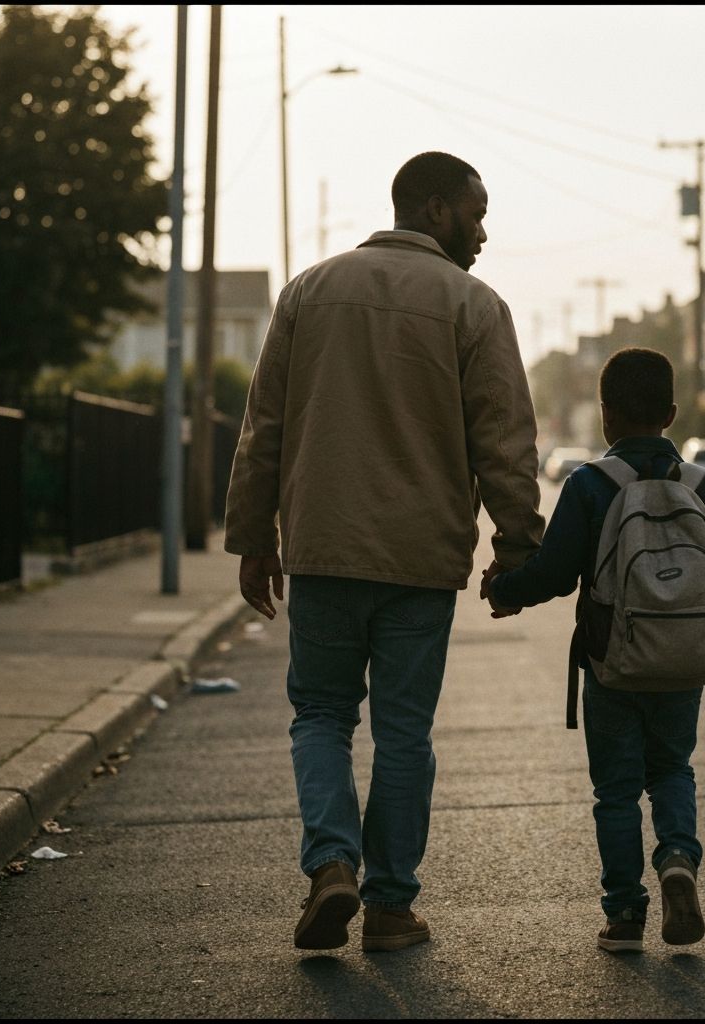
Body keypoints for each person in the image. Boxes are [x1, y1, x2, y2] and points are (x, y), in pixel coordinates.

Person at [224, 151, 544, 953]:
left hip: (324, 549)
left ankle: (333, 862)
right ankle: (392, 909)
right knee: (404, 734)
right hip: (419, 560)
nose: (483, 232)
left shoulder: (309, 292)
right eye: (475, 213)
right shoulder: (475, 305)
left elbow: (264, 424)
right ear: (434, 210)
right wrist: (518, 548)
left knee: (322, 716)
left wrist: (253, 535)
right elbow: (505, 442)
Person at [484, 347, 705, 953]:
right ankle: (678, 857)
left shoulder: (591, 484)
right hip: (683, 659)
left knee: (617, 791)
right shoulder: (702, 485)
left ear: (605, 417)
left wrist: (504, 589)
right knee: (673, 769)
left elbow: (554, 572)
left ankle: (625, 914)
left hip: (613, 662)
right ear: (673, 413)